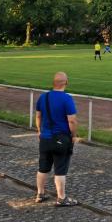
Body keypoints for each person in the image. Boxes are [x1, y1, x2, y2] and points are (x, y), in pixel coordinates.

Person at [35, 72, 78, 207]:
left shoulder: (43, 97)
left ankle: (40, 194)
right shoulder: (66, 98)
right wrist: (74, 135)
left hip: (45, 138)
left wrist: (40, 131)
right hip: (61, 139)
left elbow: (38, 116)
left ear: (53, 83)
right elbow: (72, 121)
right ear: (66, 83)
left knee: (43, 168)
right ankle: (61, 198)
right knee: (60, 169)